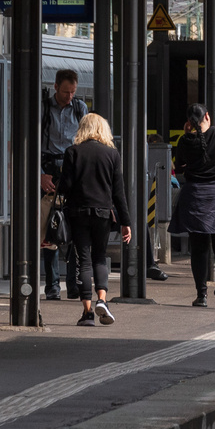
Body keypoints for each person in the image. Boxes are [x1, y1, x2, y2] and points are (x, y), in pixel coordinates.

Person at [58, 113, 131, 328]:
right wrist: (126, 221)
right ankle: (103, 300)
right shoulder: (112, 154)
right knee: (100, 257)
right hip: (103, 214)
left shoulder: (72, 152)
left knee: (83, 259)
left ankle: (87, 312)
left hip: (78, 213)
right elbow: (119, 193)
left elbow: (65, 187)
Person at [171, 103, 215, 309]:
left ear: (189, 123)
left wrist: (186, 135)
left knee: (199, 248)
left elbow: (179, 168)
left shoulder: (185, 141)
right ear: (207, 116)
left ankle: (201, 295)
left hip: (196, 199)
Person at [39, 69, 88, 301]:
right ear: (56, 86)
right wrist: (40, 174)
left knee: (75, 226)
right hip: (49, 169)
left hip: (72, 170)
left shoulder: (80, 109)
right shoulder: (44, 109)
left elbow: (87, 142)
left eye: (73, 92)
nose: (70, 96)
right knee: (50, 230)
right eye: (66, 91)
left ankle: (74, 284)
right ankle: (52, 286)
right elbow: (31, 142)